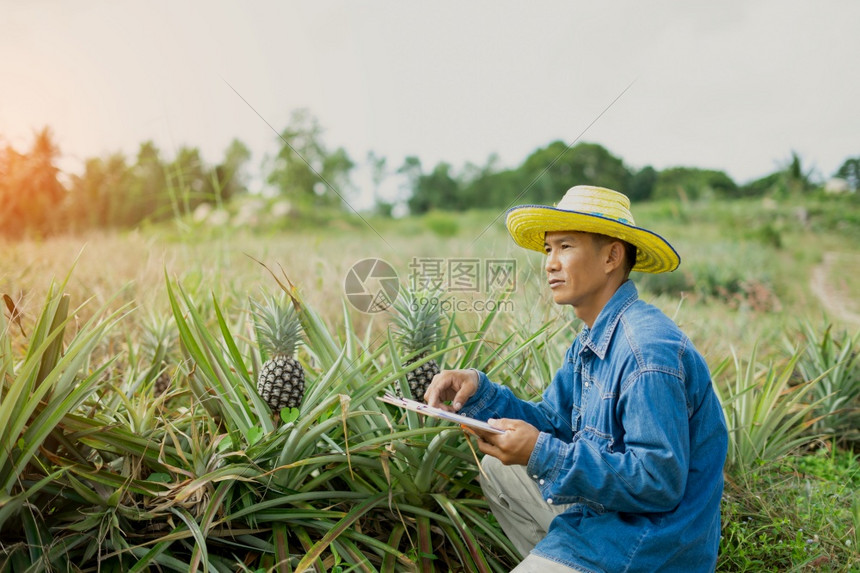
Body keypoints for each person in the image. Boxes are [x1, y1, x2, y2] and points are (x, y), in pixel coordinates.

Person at [424, 185, 728, 573]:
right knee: (501, 468)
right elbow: (554, 422)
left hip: (649, 547)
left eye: (565, 247)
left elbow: (657, 481)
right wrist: (480, 392)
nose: (550, 263)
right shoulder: (592, 339)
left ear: (611, 257)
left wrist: (541, 452)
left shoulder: (646, 352)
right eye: (548, 249)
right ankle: (561, 560)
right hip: (606, 521)